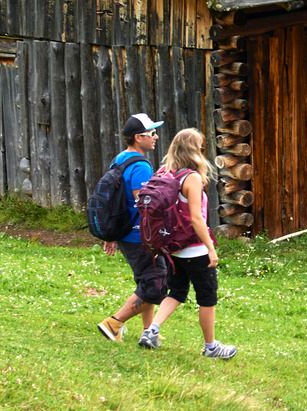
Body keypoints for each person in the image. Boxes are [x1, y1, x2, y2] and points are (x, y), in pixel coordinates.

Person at [138, 127, 236, 359]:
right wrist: (210, 248)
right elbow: (196, 218)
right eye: (200, 147)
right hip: (194, 248)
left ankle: (152, 330)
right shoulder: (191, 177)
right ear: (194, 150)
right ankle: (211, 347)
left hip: (173, 248)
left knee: (177, 291)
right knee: (207, 297)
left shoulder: (164, 172)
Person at [96, 113, 165, 342]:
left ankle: (148, 331)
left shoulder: (120, 159)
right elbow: (145, 206)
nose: (156, 137)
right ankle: (113, 323)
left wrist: (111, 234)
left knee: (146, 281)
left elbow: (114, 198)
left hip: (125, 233)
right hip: (139, 236)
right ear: (138, 137)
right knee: (156, 284)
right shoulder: (141, 167)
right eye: (152, 133)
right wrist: (156, 235)